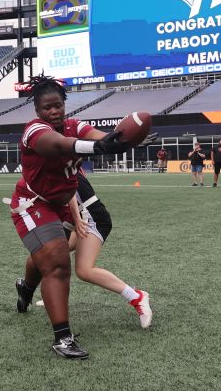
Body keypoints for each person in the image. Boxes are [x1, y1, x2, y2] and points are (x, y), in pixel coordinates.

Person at [7, 74, 133, 359]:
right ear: (37, 111)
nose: (53, 112)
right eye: (46, 108)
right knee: (58, 262)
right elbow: (60, 145)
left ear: (64, 104)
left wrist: (122, 140)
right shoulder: (34, 131)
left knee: (47, 258)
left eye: (57, 106)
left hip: (63, 203)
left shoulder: (75, 125)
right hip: (32, 203)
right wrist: (100, 147)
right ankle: (63, 338)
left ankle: (26, 287)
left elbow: (99, 138)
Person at [19, 172, 152, 328]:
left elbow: (68, 192)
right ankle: (35, 291)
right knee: (45, 253)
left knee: (84, 270)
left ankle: (137, 297)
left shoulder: (56, 160)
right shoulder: (50, 161)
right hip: (77, 217)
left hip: (91, 218)